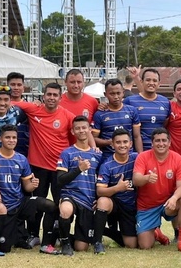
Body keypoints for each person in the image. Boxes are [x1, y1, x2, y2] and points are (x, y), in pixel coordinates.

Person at [10, 82, 77, 241]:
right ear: (43, 96)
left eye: (55, 95)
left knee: (61, 202)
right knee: (36, 204)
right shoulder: (34, 110)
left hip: (60, 169)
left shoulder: (67, 116)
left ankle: (60, 234)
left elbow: (82, 131)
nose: (51, 98)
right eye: (49, 94)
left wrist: (93, 147)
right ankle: (33, 235)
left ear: (60, 98)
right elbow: (10, 101)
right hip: (37, 166)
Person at [0, 125, 56, 253]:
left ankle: (46, 244)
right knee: (5, 247)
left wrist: (33, 185)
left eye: (14, 137)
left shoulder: (21, 159)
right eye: (7, 137)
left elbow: (27, 186)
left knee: (50, 206)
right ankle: (0, 234)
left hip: (19, 203)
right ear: (0, 139)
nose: (11, 140)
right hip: (2, 208)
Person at [132, 127, 181, 252]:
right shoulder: (142, 157)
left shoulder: (178, 159)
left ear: (169, 143)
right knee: (145, 245)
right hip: (147, 207)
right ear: (152, 143)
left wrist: (174, 198)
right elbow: (136, 179)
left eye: (164, 140)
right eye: (157, 141)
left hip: (167, 204)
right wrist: (147, 178)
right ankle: (156, 233)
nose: (161, 144)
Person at [56, 116, 104, 255]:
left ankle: (58, 233)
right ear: (73, 131)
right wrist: (79, 169)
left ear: (89, 130)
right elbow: (60, 180)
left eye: (84, 127)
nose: (81, 130)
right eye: (78, 128)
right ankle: (65, 243)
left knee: (81, 247)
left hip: (88, 200)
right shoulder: (67, 153)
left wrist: (97, 197)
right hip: (70, 195)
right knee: (65, 210)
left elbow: (101, 179)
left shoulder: (97, 155)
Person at [96, 129, 139, 248]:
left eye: (125, 142)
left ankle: (105, 231)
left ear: (130, 144)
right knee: (103, 202)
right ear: (112, 144)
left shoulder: (137, 158)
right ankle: (98, 242)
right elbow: (99, 191)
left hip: (132, 205)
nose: (122, 145)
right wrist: (117, 188)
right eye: (118, 142)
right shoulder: (106, 165)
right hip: (116, 204)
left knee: (132, 245)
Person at [124, 67, 174, 152]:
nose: (151, 83)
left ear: (159, 84)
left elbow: (165, 124)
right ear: (141, 81)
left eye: (154, 81)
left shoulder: (165, 102)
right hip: (137, 151)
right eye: (148, 80)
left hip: (159, 150)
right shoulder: (130, 101)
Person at [91, 78, 141, 157]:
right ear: (105, 94)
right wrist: (109, 142)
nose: (116, 96)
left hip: (129, 157)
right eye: (112, 94)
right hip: (108, 158)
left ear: (123, 93)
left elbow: (137, 136)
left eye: (118, 93)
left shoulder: (132, 111)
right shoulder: (99, 114)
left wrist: (140, 155)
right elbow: (93, 139)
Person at [5, 71, 32, 157]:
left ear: (23, 88)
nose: (16, 88)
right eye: (13, 84)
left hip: (24, 152)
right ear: (7, 86)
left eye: (19, 85)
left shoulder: (31, 107)